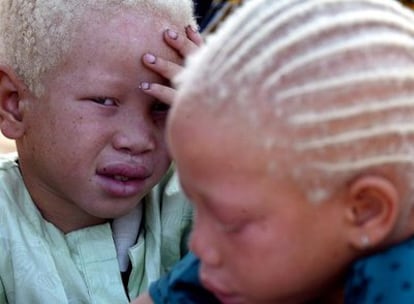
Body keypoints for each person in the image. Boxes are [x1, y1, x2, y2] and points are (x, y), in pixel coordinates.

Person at [134, 0, 414, 303]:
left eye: (231, 223)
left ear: (366, 210)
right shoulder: (252, 259)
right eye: (200, 211)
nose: (199, 247)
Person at [0, 0, 203, 303]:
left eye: (162, 106)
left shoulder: (201, 199)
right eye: (105, 101)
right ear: (14, 104)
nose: (137, 140)